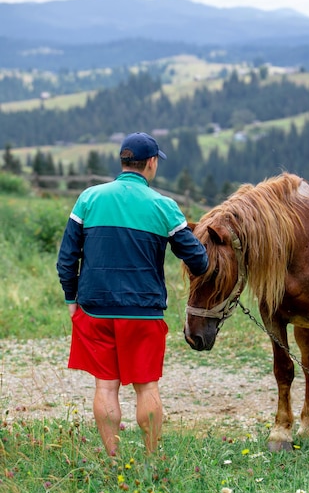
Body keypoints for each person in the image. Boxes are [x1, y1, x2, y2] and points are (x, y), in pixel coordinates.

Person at [57, 132, 208, 457]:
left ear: (123, 161)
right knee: (147, 386)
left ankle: (113, 457)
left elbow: (67, 257)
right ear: (151, 163)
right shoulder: (163, 206)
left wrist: (72, 299)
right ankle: (152, 458)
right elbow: (198, 260)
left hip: (94, 309)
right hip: (143, 313)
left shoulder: (89, 198)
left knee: (105, 385)